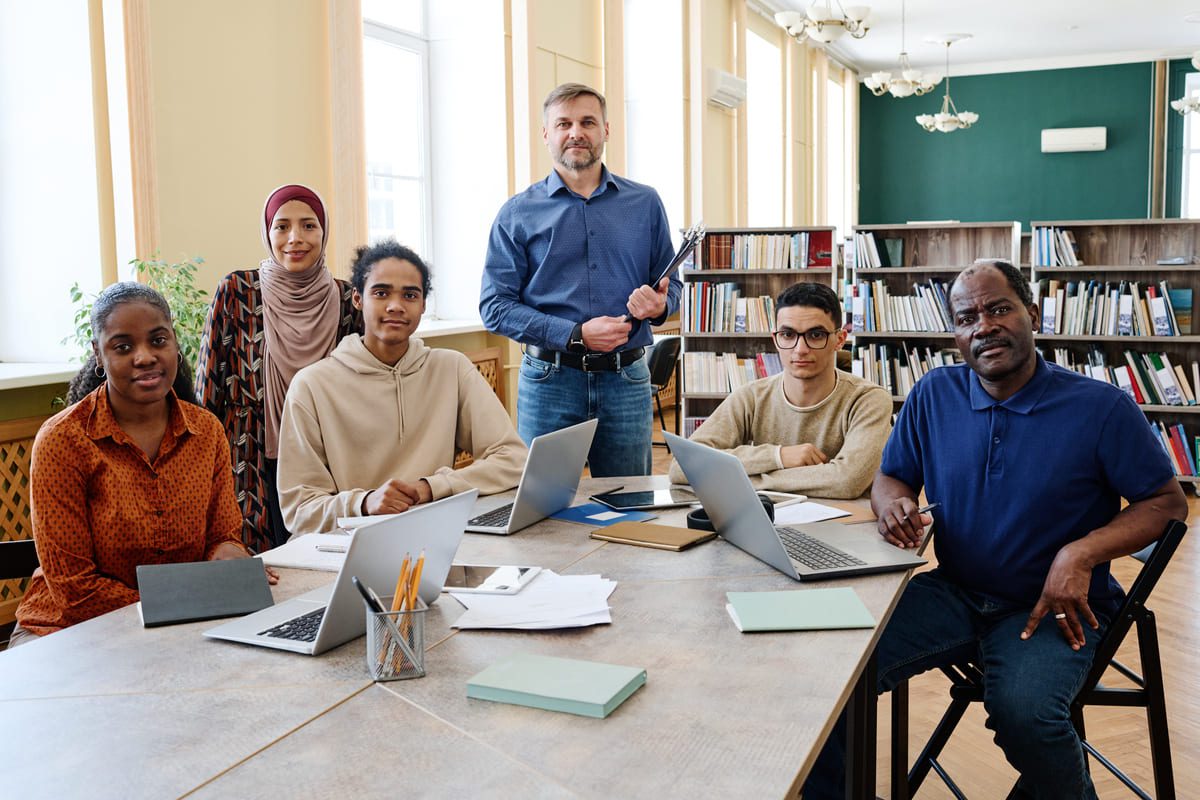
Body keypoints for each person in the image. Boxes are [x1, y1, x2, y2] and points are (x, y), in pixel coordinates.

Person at [804, 260, 1188, 799]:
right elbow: (892, 475)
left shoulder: (1100, 408)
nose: (983, 325)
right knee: (831, 673)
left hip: (1054, 608)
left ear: (1032, 313)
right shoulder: (934, 395)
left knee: (1027, 716)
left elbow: (1167, 504)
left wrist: (1079, 554)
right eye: (966, 317)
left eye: (998, 308)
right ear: (956, 333)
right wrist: (893, 502)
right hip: (954, 591)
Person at [11, 283, 275, 648]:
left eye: (158, 340)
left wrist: (230, 557)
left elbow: (221, 537)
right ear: (98, 355)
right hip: (65, 632)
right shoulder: (63, 440)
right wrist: (180, 603)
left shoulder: (206, 431)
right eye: (123, 347)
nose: (145, 356)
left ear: (175, 344)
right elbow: (76, 592)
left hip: (179, 625)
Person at [480, 82, 681, 477]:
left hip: (626, 380)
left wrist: (662, 305)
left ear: (606, 130)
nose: (576, 132)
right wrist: (575, 334)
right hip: (550, 380)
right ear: (546, 134)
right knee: (543, 511)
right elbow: (495, 307)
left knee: (631, 505)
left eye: (588, 121)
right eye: (564, 123)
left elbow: (672, 284)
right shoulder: (516, 213)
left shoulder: (645, 203)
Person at [278, 240, 527, 535]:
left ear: (423, 305)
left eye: (410, 295)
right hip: (348, 545)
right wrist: (365, 503)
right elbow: (299, 509)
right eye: (381, 293)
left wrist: (430, 488)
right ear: (357, 299)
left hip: (434, 534)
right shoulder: (311, 385)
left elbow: (513, 460)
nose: (396, 306)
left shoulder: (451, 368)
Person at [195, 183, 362, 553]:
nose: (295, 238)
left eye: (308, 225)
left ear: (324, 232)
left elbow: (362, 387)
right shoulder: (237, 291)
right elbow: (207, 385)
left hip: (325, 455)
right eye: (282, 226)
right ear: (267, 233)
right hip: (248, 453)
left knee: (324, 559)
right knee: (260, 569)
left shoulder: (347, 300)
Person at [666, 282, 891, 499]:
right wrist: (778, 456)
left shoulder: (868, 400)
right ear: (775, 339)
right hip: (771, 524)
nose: (800, 349)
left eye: (815, 335)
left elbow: (846, 481)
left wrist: (749, 481)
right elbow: (682, 468)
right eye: (788, 335)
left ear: (839, 340)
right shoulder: (751, 396)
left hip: (849, 530)